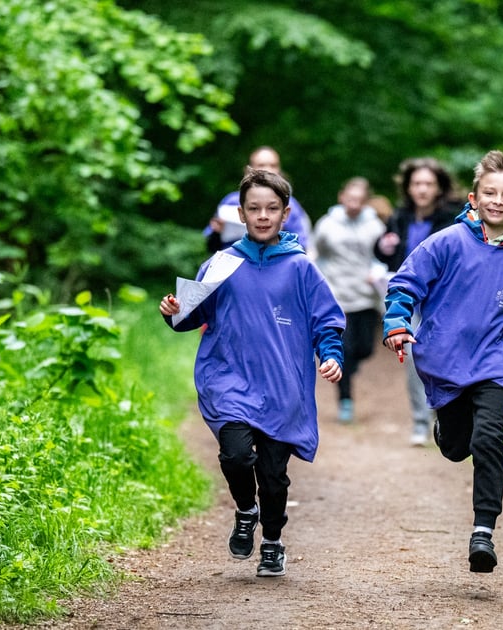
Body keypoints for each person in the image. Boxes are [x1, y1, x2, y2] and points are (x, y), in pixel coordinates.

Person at [381, 150, 503, 573]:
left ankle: (483, 530)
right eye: (490, 192)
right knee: (455, 447)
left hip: (497, 367)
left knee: (488, 438)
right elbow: (405, 285)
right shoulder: (446, 243)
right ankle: (445, 428)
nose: (498, 201)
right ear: (473, 197)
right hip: (446, 365)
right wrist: (396, 322)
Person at [161, 168, 344, 578]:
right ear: (240, 214)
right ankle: (246, 511)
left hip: (283, 388)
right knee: (236, 456)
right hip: (228, 380)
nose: (263, 216)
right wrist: (173, 314)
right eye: (254, 208)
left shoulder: (301, 268)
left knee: (274, 477)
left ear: (286, 214)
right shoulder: (221, 263)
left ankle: (273, 541)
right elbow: (191, 315)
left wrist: (330, 355)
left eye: (272, 209)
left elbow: (327, 321)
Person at [373, 157, 461, 445]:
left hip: (442, 301)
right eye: (417, 184)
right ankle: (421, 421)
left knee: (443, 357)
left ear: (439, 188)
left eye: (428, 184)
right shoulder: (400, 217)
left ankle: (443, 414)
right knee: (413, 358)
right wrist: (383, 247)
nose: (422, 189)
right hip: (409, 299)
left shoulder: (452, 219)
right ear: (408, 188)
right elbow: (385, 252)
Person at [313, 177, 387, 423]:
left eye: (359, 200)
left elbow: (383, 256)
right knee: (343, 349)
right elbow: (317, 253)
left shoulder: (375, 226)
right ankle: (345, 400)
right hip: (337, 296)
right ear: (341, 197)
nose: (354, 204)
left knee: (365, 348)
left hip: (365, 297)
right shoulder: (326, 224)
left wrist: (376, 272)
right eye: (350, 198)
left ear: (365, 202)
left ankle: (350, 367)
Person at [206, 146, 314, 257]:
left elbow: (302, 246)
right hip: (233, 264)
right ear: (248, 170)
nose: (268, 169)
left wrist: (279, 234)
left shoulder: (290, 204)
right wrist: (217, 232)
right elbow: (211, 245)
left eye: (273, 165)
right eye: (261, 165)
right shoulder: (231, 201)